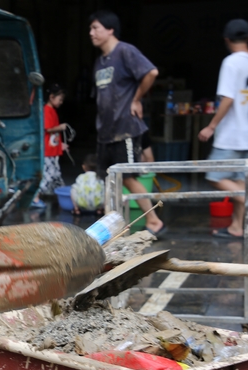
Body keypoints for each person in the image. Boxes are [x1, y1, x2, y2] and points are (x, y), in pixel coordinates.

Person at [90, 10, 166, 237]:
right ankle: (111, 228)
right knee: (108, 181)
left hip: (125, 129)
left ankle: (154, 221)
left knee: (127, 178)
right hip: (106, 130)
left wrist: (136, 99)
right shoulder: (100, 62)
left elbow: (151, 72)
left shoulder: (125, 51)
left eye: (95, 28)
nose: (91, 33)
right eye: (91, 28)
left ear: (110, 29)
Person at [199, 19, 248, 238]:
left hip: (231, 133)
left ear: (227, 40)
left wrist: (211, 126)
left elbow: (228, 98)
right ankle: (236, 227)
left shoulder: (231, 62)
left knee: (214, 176)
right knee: (239, 180)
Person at [31, 83, 69, 209]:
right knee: (47, 178)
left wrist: (60, 145)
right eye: (60, 99)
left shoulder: (52, 111)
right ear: (51, 97)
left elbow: (53, 136)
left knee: (56, 177)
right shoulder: (46, 110)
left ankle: (65, 199)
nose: (61, 102)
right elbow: (48, 129)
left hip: (53, 151)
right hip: (47, 152)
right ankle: (34, 198)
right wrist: (61, 127)